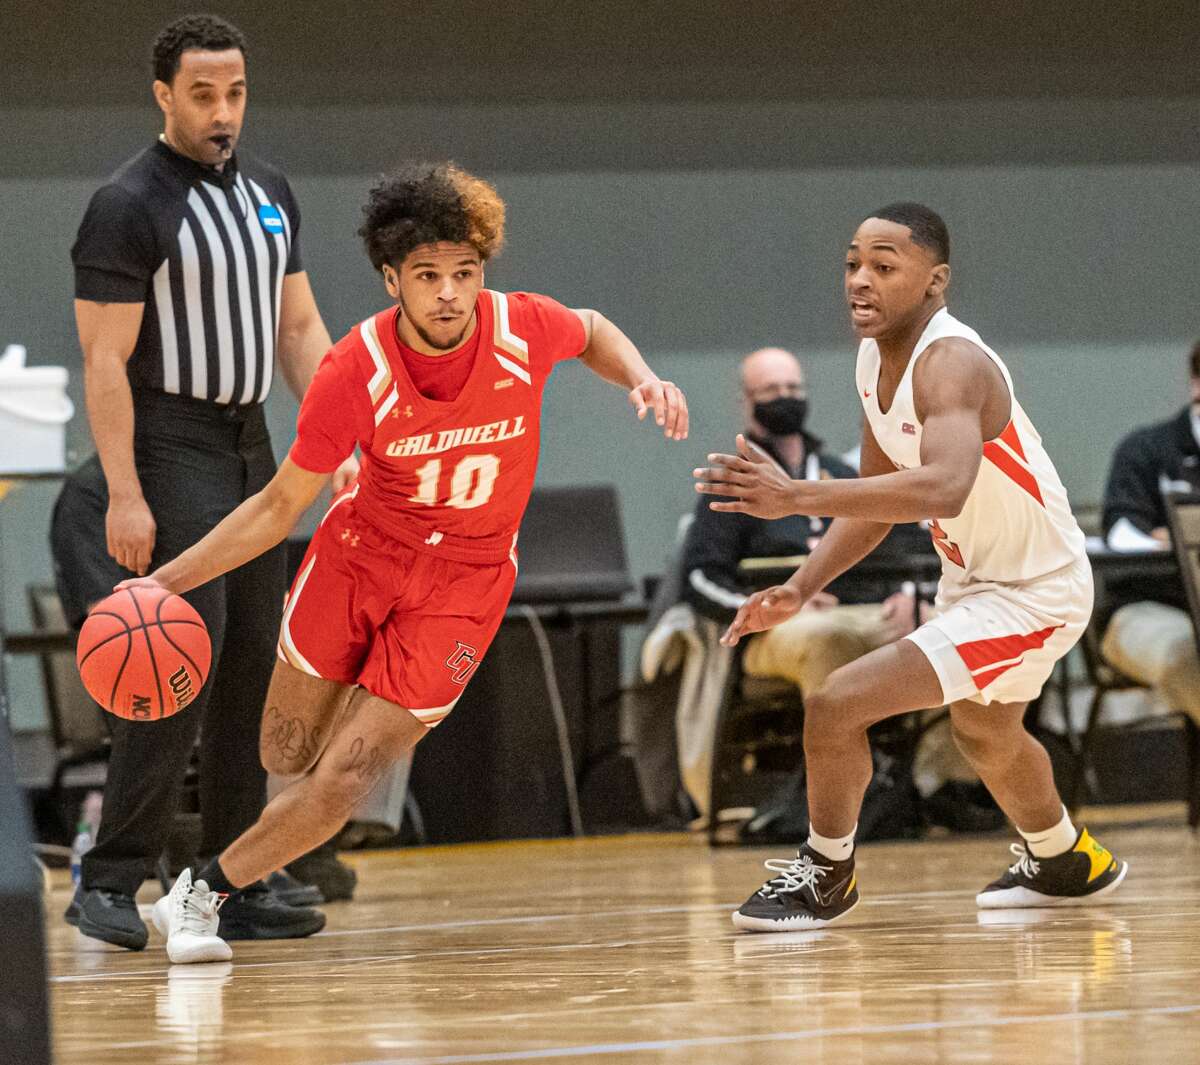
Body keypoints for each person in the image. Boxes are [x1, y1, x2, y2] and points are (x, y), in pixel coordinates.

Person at [120, 161, 689, 963]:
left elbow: (592, 327)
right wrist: (165, 581)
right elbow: (279, 507)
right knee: (283, 753)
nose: (450, 292)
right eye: (428, 275)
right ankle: (277, 816)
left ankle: (201, 895)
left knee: (348, 776)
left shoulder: (522, 326)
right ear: (393, 279)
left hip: (466, 582)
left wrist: (644, 377)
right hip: (361, 558)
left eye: (465, 272)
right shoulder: (355, 368)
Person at [695, 202, 1126, 931]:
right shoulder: (875, 360)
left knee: (836, 703)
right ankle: (1066, 858)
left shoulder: (951, 362)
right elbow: (874, 500)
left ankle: (827, 875)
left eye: (884, 266)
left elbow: (943, 484)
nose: (860, 280)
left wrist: (795, 493)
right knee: (985, 733)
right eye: (852, 264)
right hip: (978, 582)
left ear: (936, 281)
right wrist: (801, 586)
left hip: (1034, 590)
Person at [67, 14, 355, 950]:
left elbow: (301, 329)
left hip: (252, 444)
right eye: (202, 94)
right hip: (168, 441)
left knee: (252, 671)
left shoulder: (270, 192)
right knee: (178, 658)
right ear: (163, 95)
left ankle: (231, 881)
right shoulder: (127, 202)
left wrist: (342, 430)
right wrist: (123, 490)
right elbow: (103, 362)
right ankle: (109, 878)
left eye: (234, 93)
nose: (222, 111)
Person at [1097, 342, 1200, 726]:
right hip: (1147, 606)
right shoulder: (1145, 449)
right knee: (1188, 656)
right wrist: (1178, 539)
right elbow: (1123, 532)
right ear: (1196, 384)